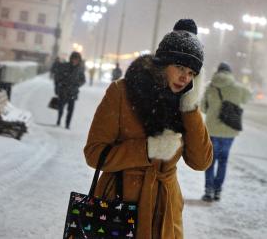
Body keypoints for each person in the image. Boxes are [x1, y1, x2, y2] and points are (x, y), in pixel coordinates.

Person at [84, 19, 213, 238]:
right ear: (163, 64)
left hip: (165, 211)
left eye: (192, 73)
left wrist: (191, 109)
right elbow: (94, 154)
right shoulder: (122, 92)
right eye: (180, 68)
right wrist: (147, 150)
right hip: (120, 205)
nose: (185, 78)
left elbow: (200, 162)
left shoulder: (184, 104)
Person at [201, 62, 251, 202]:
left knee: (210, 161)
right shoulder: (238, 87)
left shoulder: (210, 87)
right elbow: (248, 98)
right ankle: (218, 192)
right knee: (223, 161)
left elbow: (203, 108)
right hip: (230, 131)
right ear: (230, 73)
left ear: (218, 72)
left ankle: (208, 191)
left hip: (211, 130)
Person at [54, 51, 86, 129]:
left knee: (70, 110)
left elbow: (83, 80)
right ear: (71, 59)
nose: (75, 60)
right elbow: (57, 76)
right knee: (61, 107)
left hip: (73, 92)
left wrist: (77, 84)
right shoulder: (65, 66)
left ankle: (67, 125)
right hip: (63, 90)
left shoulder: (80, 69)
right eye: (74, 59)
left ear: (79, 60)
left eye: (77, 59)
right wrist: (60, 84)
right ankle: (58, 121)